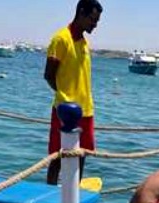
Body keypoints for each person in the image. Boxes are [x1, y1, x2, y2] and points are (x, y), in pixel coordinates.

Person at [44, 0, 102, 185]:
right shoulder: (61, 38)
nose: (95, 24)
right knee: (57, 156)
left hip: (86, 110)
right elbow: (49, 75)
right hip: (64, 110)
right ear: (81, 14)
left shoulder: (84, 42)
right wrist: (65, 97)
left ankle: (73, 195)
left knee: (81, 155)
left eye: (97, 21)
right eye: (93, 19)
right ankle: (50, 195)